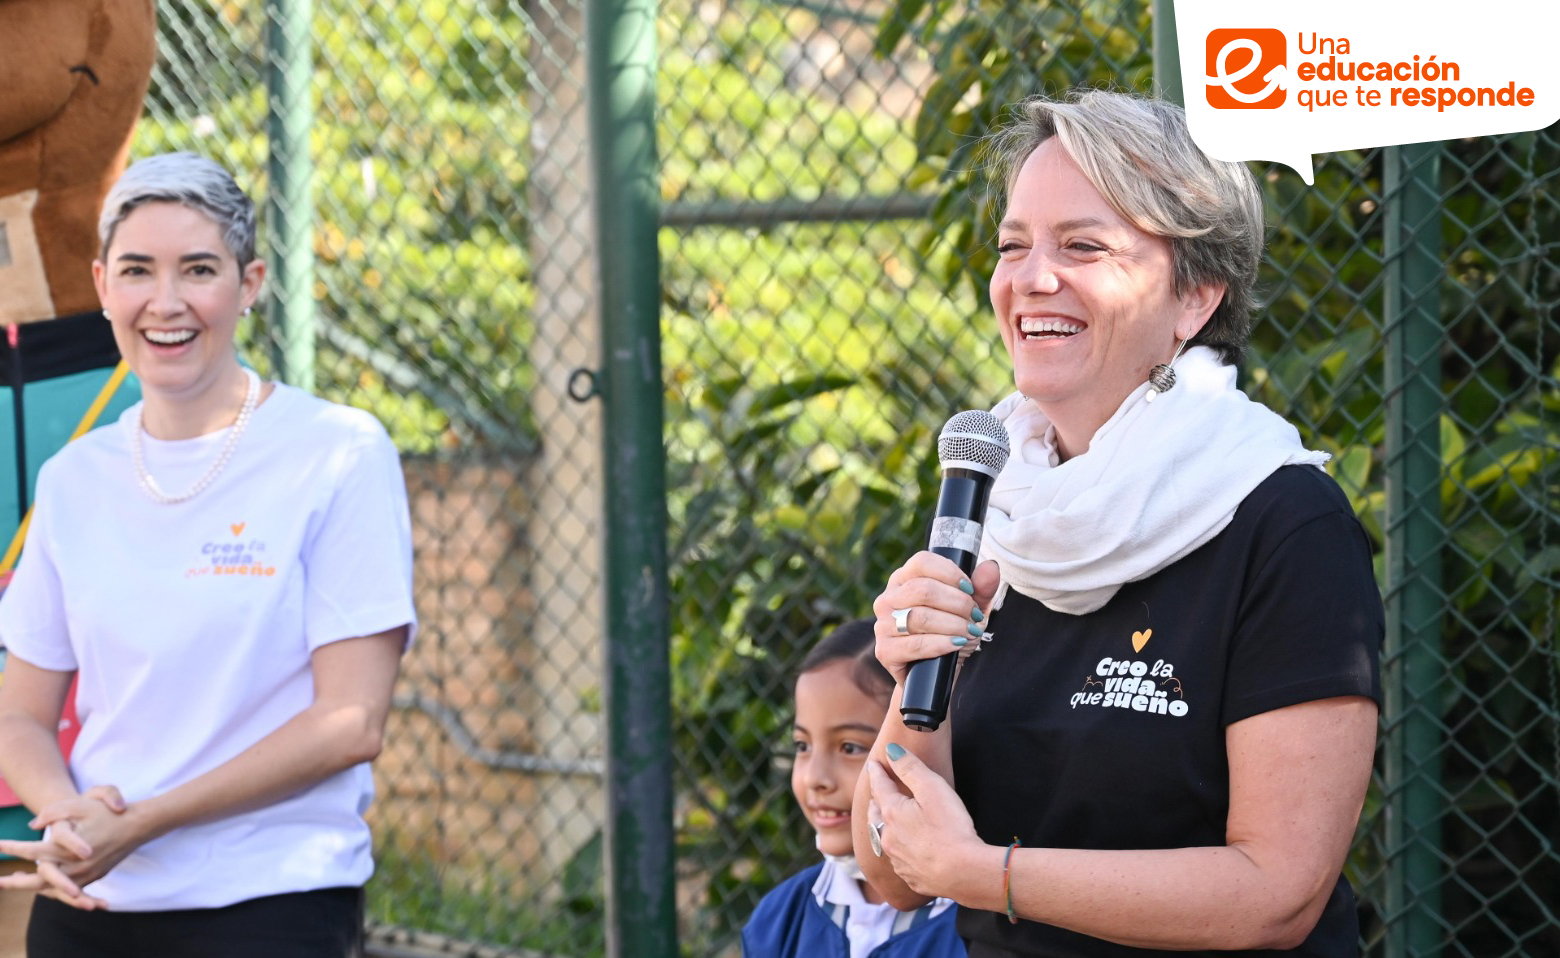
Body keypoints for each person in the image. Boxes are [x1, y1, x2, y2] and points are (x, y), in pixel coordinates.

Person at [852, 90, 1382, 958]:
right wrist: (914, 676)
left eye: (1083, 246)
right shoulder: (1000, 506)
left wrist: (989, 874)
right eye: (1013, 245)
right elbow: (895, 873)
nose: (1029, 277)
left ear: (1194, 299)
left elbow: (1277, 891)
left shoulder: (1285, 524)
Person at [0, 152, 416, 958]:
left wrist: (146, 821)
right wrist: (65, 815)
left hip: (269, 904)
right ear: (101, 286)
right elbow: (20, 712)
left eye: (198, 269)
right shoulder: (75, 478)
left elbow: (350, 723)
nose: (166, 302)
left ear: (249, 283)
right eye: (137, 270)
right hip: (90, 905)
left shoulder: (337, 450)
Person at [744, 619, 966, 958]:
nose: (815, 778)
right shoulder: (777, 921)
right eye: (802, 746)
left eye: (849, 748)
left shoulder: (977, 925)